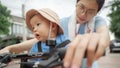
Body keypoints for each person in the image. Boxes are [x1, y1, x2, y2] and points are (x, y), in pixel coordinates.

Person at [0, 0, 110, 68]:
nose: (83, 14)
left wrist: (98, 38)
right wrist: (10, 48)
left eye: (91, 11)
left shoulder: (98, 21)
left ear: (97, 12)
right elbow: (41, 39)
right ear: (76, 4)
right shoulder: (61, 23)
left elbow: (104, 34)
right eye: (81, 7)